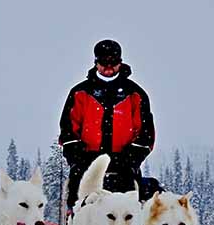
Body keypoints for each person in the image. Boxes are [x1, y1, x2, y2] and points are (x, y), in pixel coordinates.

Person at [58, 39, 157, 211]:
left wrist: (128, 160)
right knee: (79, 209)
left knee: (126, 214)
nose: (109, 67)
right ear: (96, 62)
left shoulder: (135, 95)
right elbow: (68, 131)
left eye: (114, 62)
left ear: (121, 62)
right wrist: (80, 158)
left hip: (124, 167)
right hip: (86, 166)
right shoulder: (80, 93)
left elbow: (146, 135)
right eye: (104, 62)